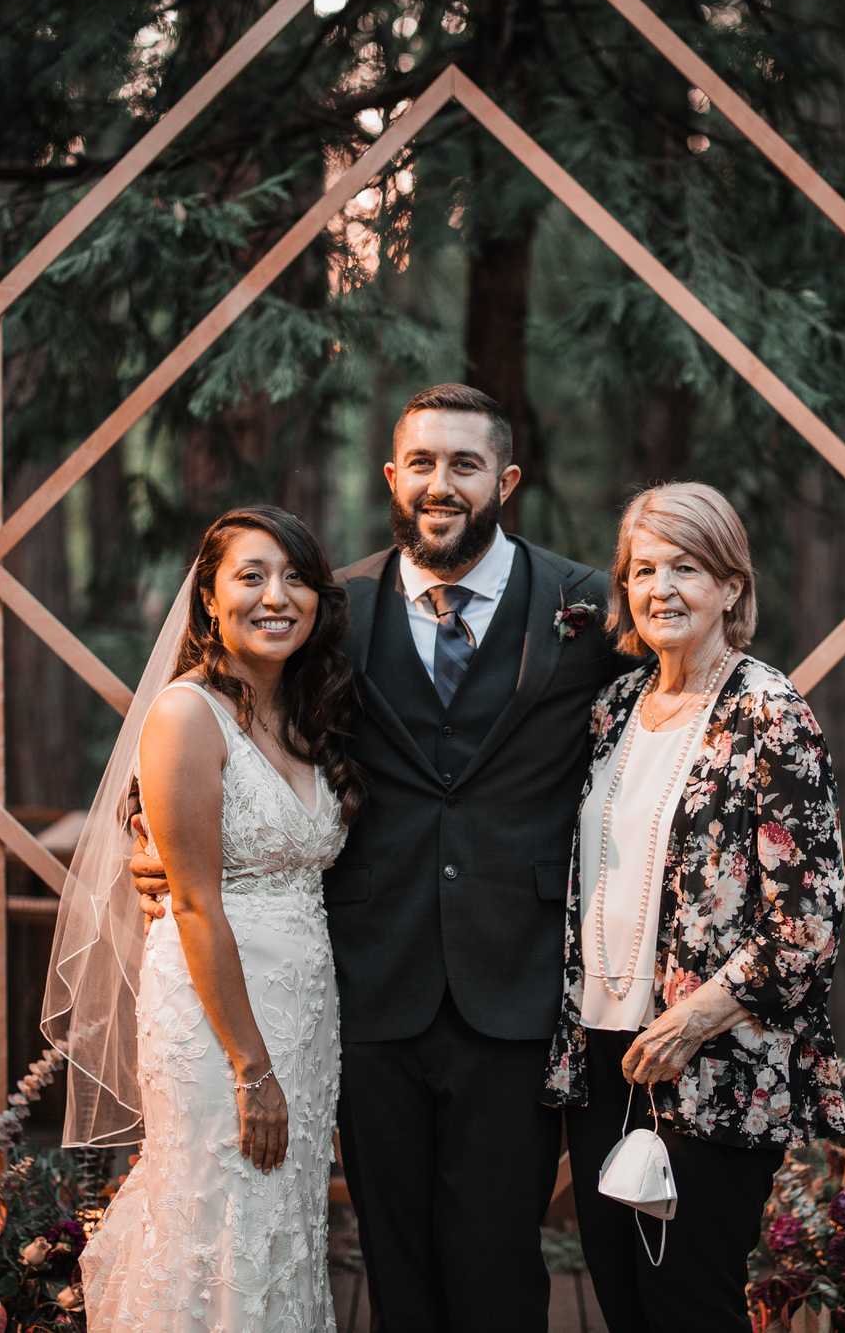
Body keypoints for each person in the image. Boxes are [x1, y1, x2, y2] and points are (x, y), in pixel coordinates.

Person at [132, 384, 638, 1331]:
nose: (440, 483)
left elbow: (671, 716)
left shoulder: (584, 606)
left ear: (506, 480)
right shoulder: (335, 608)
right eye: (422, 463)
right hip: (367, 985)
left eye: (464, 464)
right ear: (392, 476)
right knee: (393, 1259)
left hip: (514, 985)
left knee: (497, 1260)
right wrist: (152, 842)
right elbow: (232, 722)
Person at [43, 505, 361, 1329]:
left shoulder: (302, 714)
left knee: (280, 1225)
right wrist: (251, 1067)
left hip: (304, 1014)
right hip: (222, 1023)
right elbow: (191, 899)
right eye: (250, 576)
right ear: (209, 599)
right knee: (216, 1217)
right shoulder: (187, 714)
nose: (276, 595)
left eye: (294, 577)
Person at [543, 481, 845, 1333]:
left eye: (686, 566)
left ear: (731, 587)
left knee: (690, 1302)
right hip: (601, 1053)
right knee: (620, 1293)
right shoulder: (615, 708)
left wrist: (691, 1021)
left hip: (709, 1066)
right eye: (643, 569)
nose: (661, 588)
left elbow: (807, 924)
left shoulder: (769, 713)